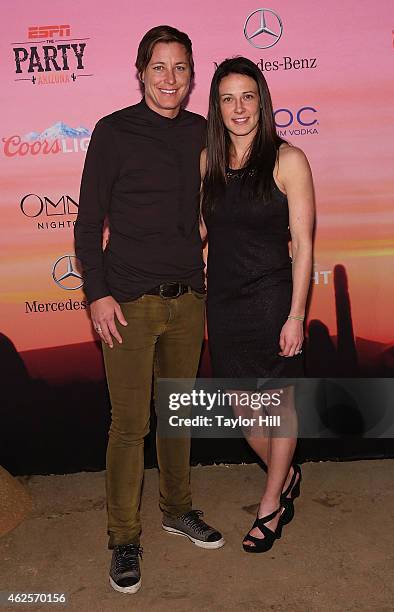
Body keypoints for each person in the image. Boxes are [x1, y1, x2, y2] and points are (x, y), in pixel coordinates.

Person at [75, 25, 224, 595]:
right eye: (159, 67)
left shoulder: (200, 133)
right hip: (127, 304)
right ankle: (123, 538)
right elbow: (88, 225)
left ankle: (177, 509)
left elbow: (218, 202)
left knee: (179, 415)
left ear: (192, 75)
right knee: (130, 426)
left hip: (189, 300)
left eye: (180, 67)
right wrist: (97, 293)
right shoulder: (112, 132)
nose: (169, 78)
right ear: (140, 72)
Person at [201, 57, 314, 553]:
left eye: (248, 96)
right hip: (223, 301)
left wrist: (296, 314)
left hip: (272, 297)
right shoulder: (208, 162)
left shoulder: (288, 159)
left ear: (262, 101)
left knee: (278, 404)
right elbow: (201, 231)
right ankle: (285, 474)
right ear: (217, 106)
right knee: (243, 408)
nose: (239, 107)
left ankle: (271, 504)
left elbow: (304, 245)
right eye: (228, 98)